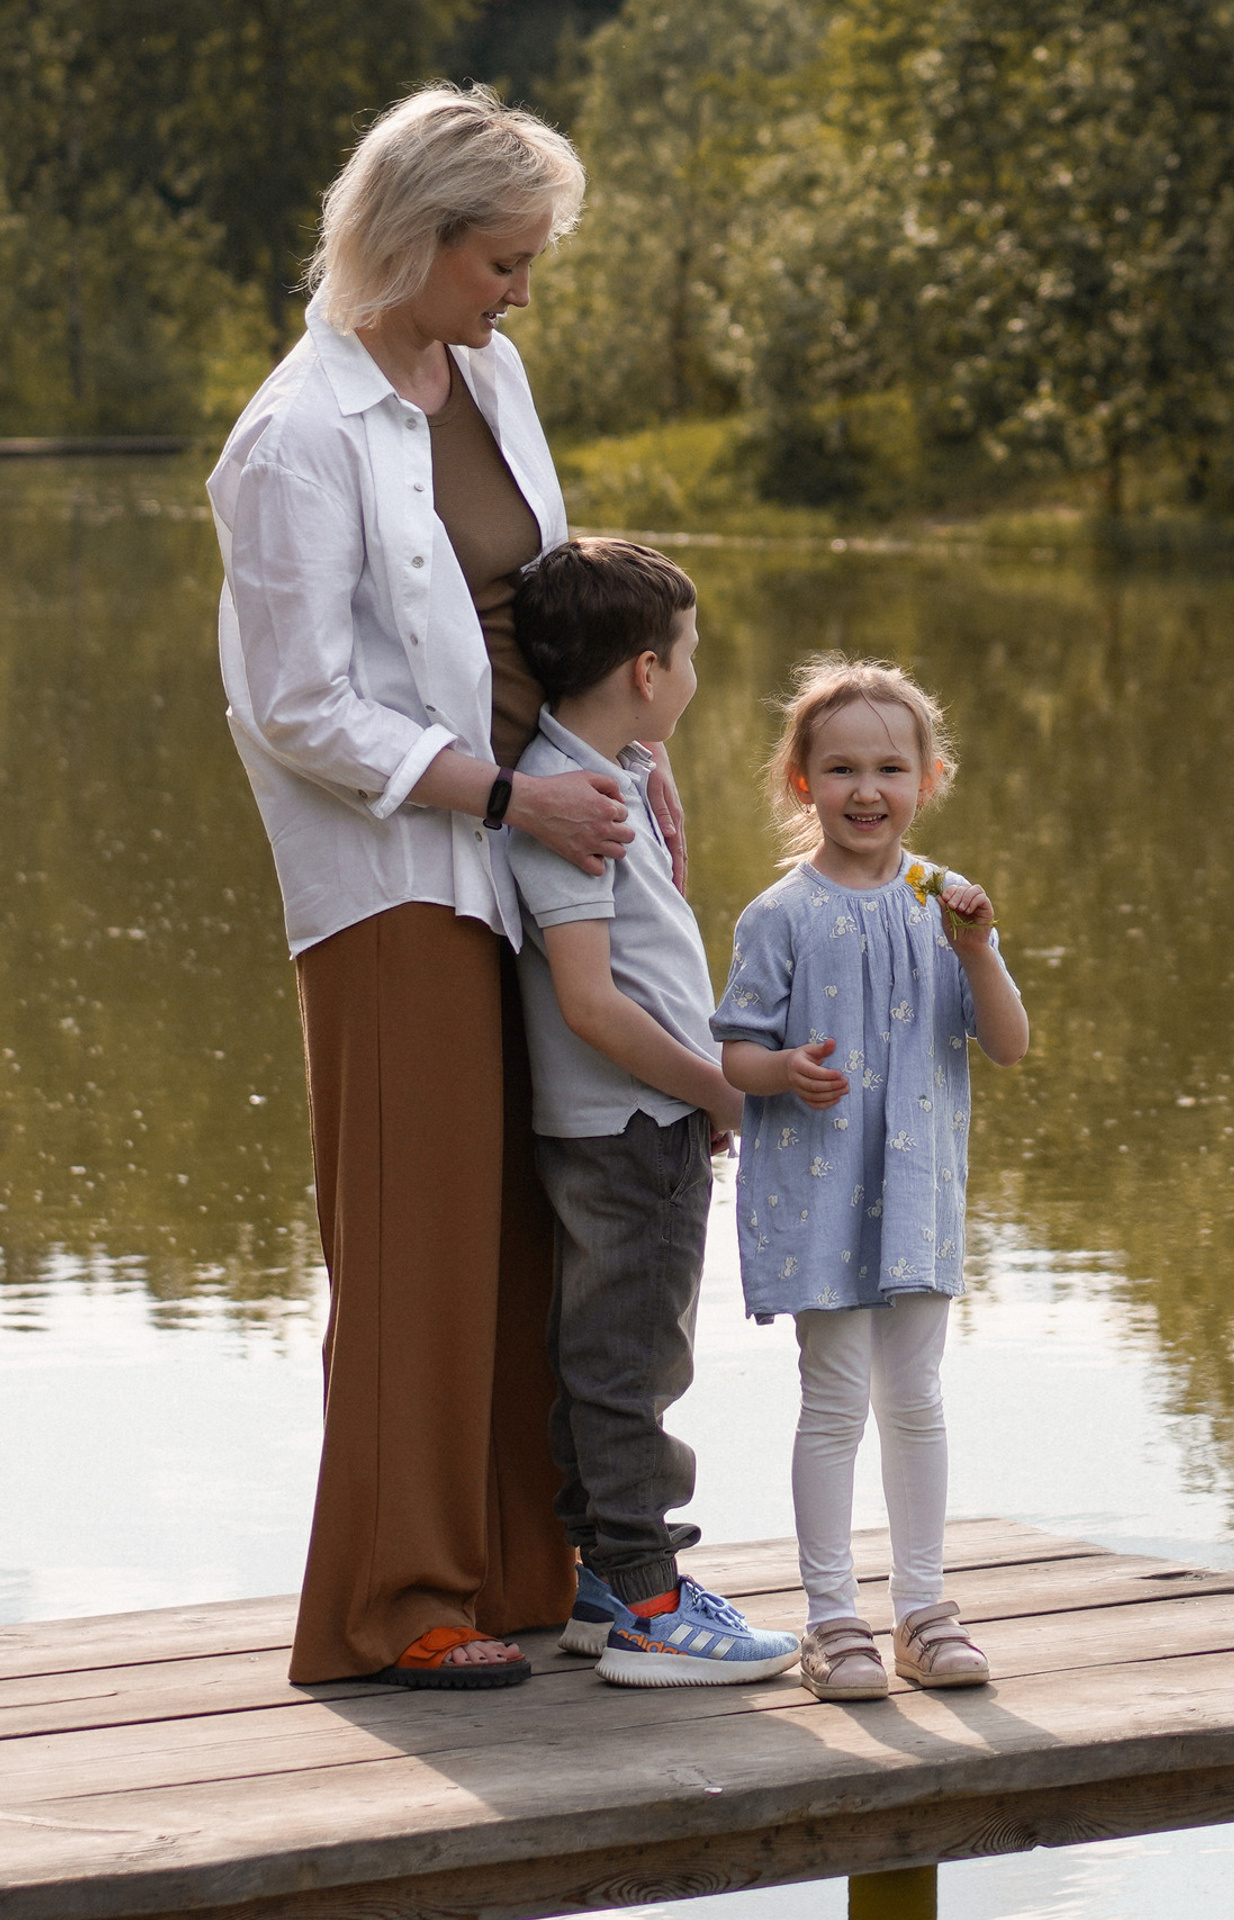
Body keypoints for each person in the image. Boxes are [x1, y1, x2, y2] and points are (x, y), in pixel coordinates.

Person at [208, 85, 673, 1688]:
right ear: (412, 241)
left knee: (534, 1219)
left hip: (541, 837)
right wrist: (504, 787)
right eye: (503, 259)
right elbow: (297, 703)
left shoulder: (487, 372)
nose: (522, 290)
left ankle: (516, 1573)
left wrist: (624, 755)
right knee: (418, 1234)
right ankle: (397, 1607)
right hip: (399, 863)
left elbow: (534, 597)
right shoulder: (295, 434)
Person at [506, 539, 800, 1686]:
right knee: (633, 1369)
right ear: (643, 667)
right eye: (689, 656)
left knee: (605, 1357)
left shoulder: (602, 775)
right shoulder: (581, 805)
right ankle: (648, 1605)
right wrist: (715, 1087)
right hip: (633, 1130)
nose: (692, 677)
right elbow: (590, 1002)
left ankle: (604, 1587)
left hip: (638, 1121)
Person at [712, 657, 1029, 1700]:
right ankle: (831, 1619)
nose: (866, 789)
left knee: (918, 1400)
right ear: (801, 781)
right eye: (840, 767)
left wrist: (979, 952)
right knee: (835, 1402)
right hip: (820, 1198)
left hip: (918, 1197)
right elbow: (736, 1058)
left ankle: (926, 1611)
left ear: (929, 779)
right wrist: (782, 1072)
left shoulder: (946, 903)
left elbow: (1011, 1044)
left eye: (891, 768)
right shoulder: (780, 916)